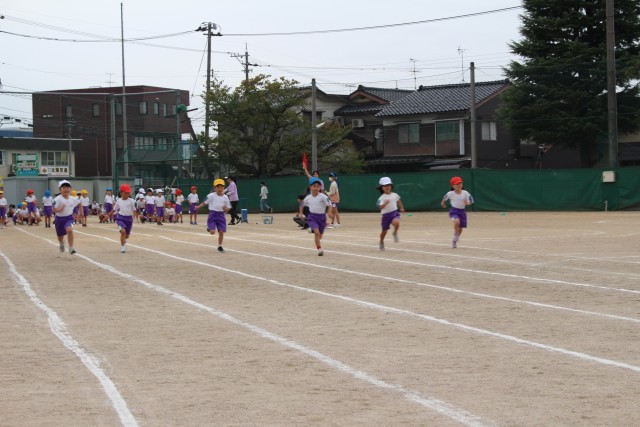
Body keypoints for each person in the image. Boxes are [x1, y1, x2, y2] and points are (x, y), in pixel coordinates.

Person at [196, 179, 231, 253]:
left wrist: (226, 209)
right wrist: (198, 207)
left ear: (224, 188)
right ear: (215, 188)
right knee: (212, 232)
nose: (220, 189)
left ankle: (220, 246)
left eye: (221, 187)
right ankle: (210, 228)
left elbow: (228, 208)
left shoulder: (225, 197)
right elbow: (204, 202)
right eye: (218, 187)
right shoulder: (211, 195)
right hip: (213, 215)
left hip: (221, 216)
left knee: (221, 232)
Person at [300, 177, 332, 256]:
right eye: (314, 186)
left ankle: (312, 229)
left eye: (318, 186)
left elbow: (330, 204)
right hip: (312, 217)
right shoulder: (308, 197)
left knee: (320, 236)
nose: (316, 188)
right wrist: (301, 213)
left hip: (322, 218)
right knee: (317, 233)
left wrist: (329, 212)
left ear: (320, 187)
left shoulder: (323, 196)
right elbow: (302, 204)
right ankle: (319, 248)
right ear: (310, 187)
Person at [441, 176, 474, 249]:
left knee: (461, 228)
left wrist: (468, 203)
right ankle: (456, 234)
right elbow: (445, 198)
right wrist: (443, 203)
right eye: (456, 184)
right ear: (453, 186)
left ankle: (455, 240)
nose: (459, 185)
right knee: (456, 221)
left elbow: (471, 200)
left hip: (462, 212)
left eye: (460, 183)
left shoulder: (465, 193)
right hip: (454, 211)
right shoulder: (450, 193)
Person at [53, 179, 83, 254]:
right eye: (63, 188)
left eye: (67, 187)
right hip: (59, 219)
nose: (66, 189)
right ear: (60, 189)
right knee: (60, 236)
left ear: (70, 189)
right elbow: (53, 209)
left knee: (69, 230)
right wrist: (60, 209)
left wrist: (81, 213)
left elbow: (79, 203)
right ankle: (61, 243)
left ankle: (71, 248)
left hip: (69, 218)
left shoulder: (73, 199)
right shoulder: (57, 199)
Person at [376, 177, 405, 251]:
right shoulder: (381, 198)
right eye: (385, 186)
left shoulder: (395, 195)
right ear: (382, 187)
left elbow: (398, 201)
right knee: (384, 231)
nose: (387, 187)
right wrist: (385, 203)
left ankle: (395, 232)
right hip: (386, 216)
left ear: (391, 186)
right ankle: (381, 241)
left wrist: (401, 208)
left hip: (394, 213)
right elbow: (380, 207)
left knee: (396, 222)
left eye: (388, 185)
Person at [108, 183, 136, 253]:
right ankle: (122, 247)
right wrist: (108, 216)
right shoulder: (118, 201)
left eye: (128, 193)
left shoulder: (131, 201)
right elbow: (114, 210)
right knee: (123, 231)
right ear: (121, 193)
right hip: (120, 218)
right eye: (125, 193)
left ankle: (124, 240)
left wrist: (134, 216)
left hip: (129, 219)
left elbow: (134, 210)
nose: (127, 194)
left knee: (127, 236)